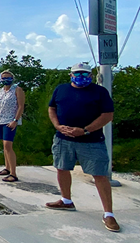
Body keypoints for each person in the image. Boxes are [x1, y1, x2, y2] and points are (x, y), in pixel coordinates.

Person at [45, 63, 119, 232]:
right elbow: (52, 108)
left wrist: (85, 130)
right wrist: (57, 125)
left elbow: (107, 115)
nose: (81, 77)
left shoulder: (100, 92)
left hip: (92, 141)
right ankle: (66, 201)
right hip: (63, 139)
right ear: (71, 75)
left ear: (91, 76)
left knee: (100, 175)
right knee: (62, 168)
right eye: (77, 74)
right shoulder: (61, 89)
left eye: (85, 74)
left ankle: (109, 214)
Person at [0, 70, 25, 182]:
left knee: (8, 145)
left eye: (8, 77)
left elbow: (20, 106)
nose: (6, 80)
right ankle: (7, 167)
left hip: (10, 120)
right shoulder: (0, 91)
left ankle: (13, 173)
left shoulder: (17, 90)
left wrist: (15, 120)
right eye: (4, 78)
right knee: (4, 145)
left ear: (12, 78)